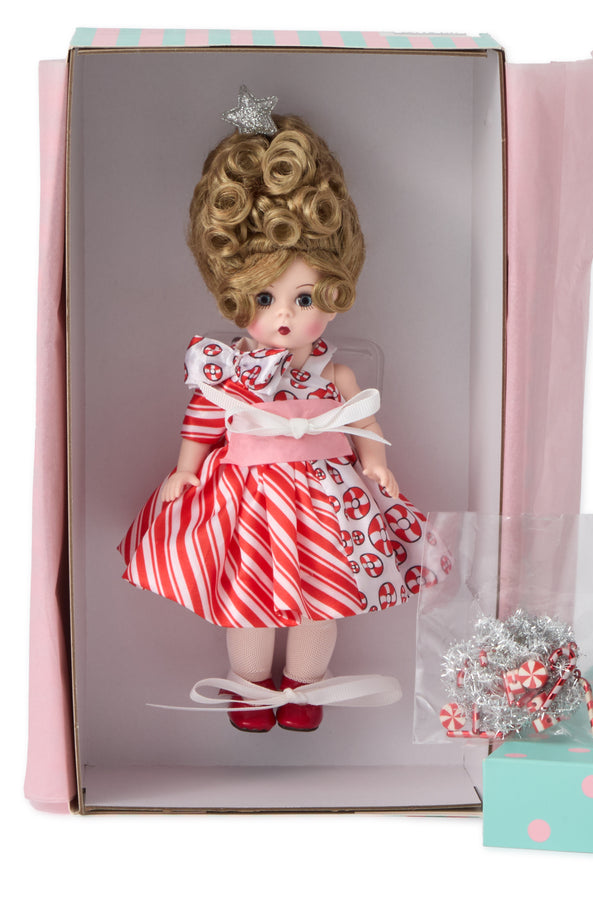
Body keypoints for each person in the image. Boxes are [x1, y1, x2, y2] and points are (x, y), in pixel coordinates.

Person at [120, 88, 442, 733]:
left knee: (324, 592)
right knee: (250, 595)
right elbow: (204, 419)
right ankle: (248, 687)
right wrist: (186, 470)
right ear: (234, 295)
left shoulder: (335, 371)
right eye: (266, 299)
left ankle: (304, 687)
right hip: (248, 496)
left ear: (335, 289)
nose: (285, 317)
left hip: (326, 496)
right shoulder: (230, 370)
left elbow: (361, 419)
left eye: (304, 297)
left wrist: (376, 464)